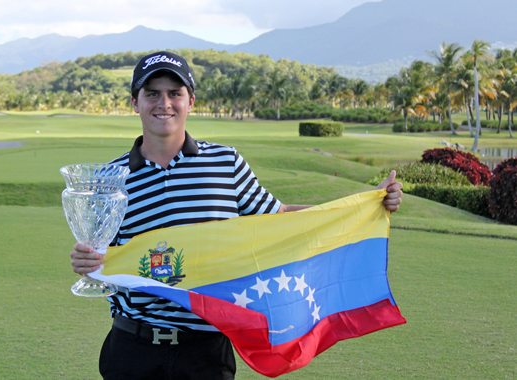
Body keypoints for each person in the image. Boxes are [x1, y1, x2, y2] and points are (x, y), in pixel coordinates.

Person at [70, 51, 403, 379]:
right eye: (152, 94)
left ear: (191, 101)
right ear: (134, 102)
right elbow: (102, 254)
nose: (164, 104)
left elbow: (280, 216)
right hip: (133, 349)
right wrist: (87, 261)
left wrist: (365, 204)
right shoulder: (109, 179)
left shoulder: (225, 163)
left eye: (175, 93)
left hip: (205, 352)